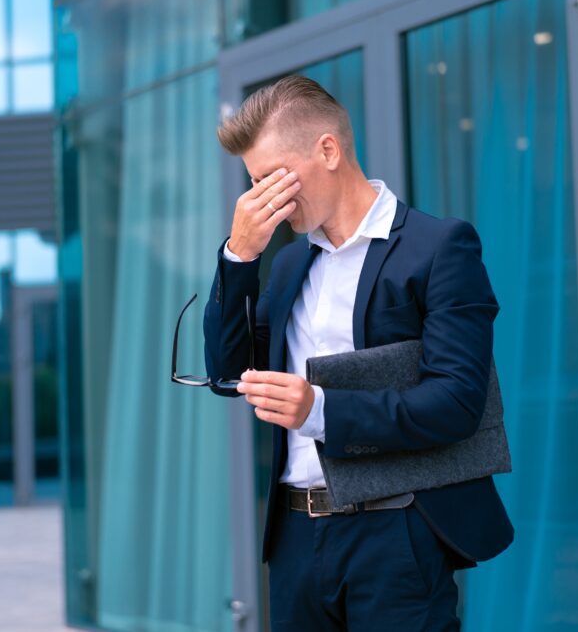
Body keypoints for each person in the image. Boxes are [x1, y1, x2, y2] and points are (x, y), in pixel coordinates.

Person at [203, 75, 513, 631]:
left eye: (273, 177)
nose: (263, 199)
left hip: (396, 533)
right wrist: (240, 254)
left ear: (328, 149)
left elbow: (457, 401)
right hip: (296, 538)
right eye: (254, 185)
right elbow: (228, 373)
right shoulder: (291, 265)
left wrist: (319, 410)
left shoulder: (438, 247)